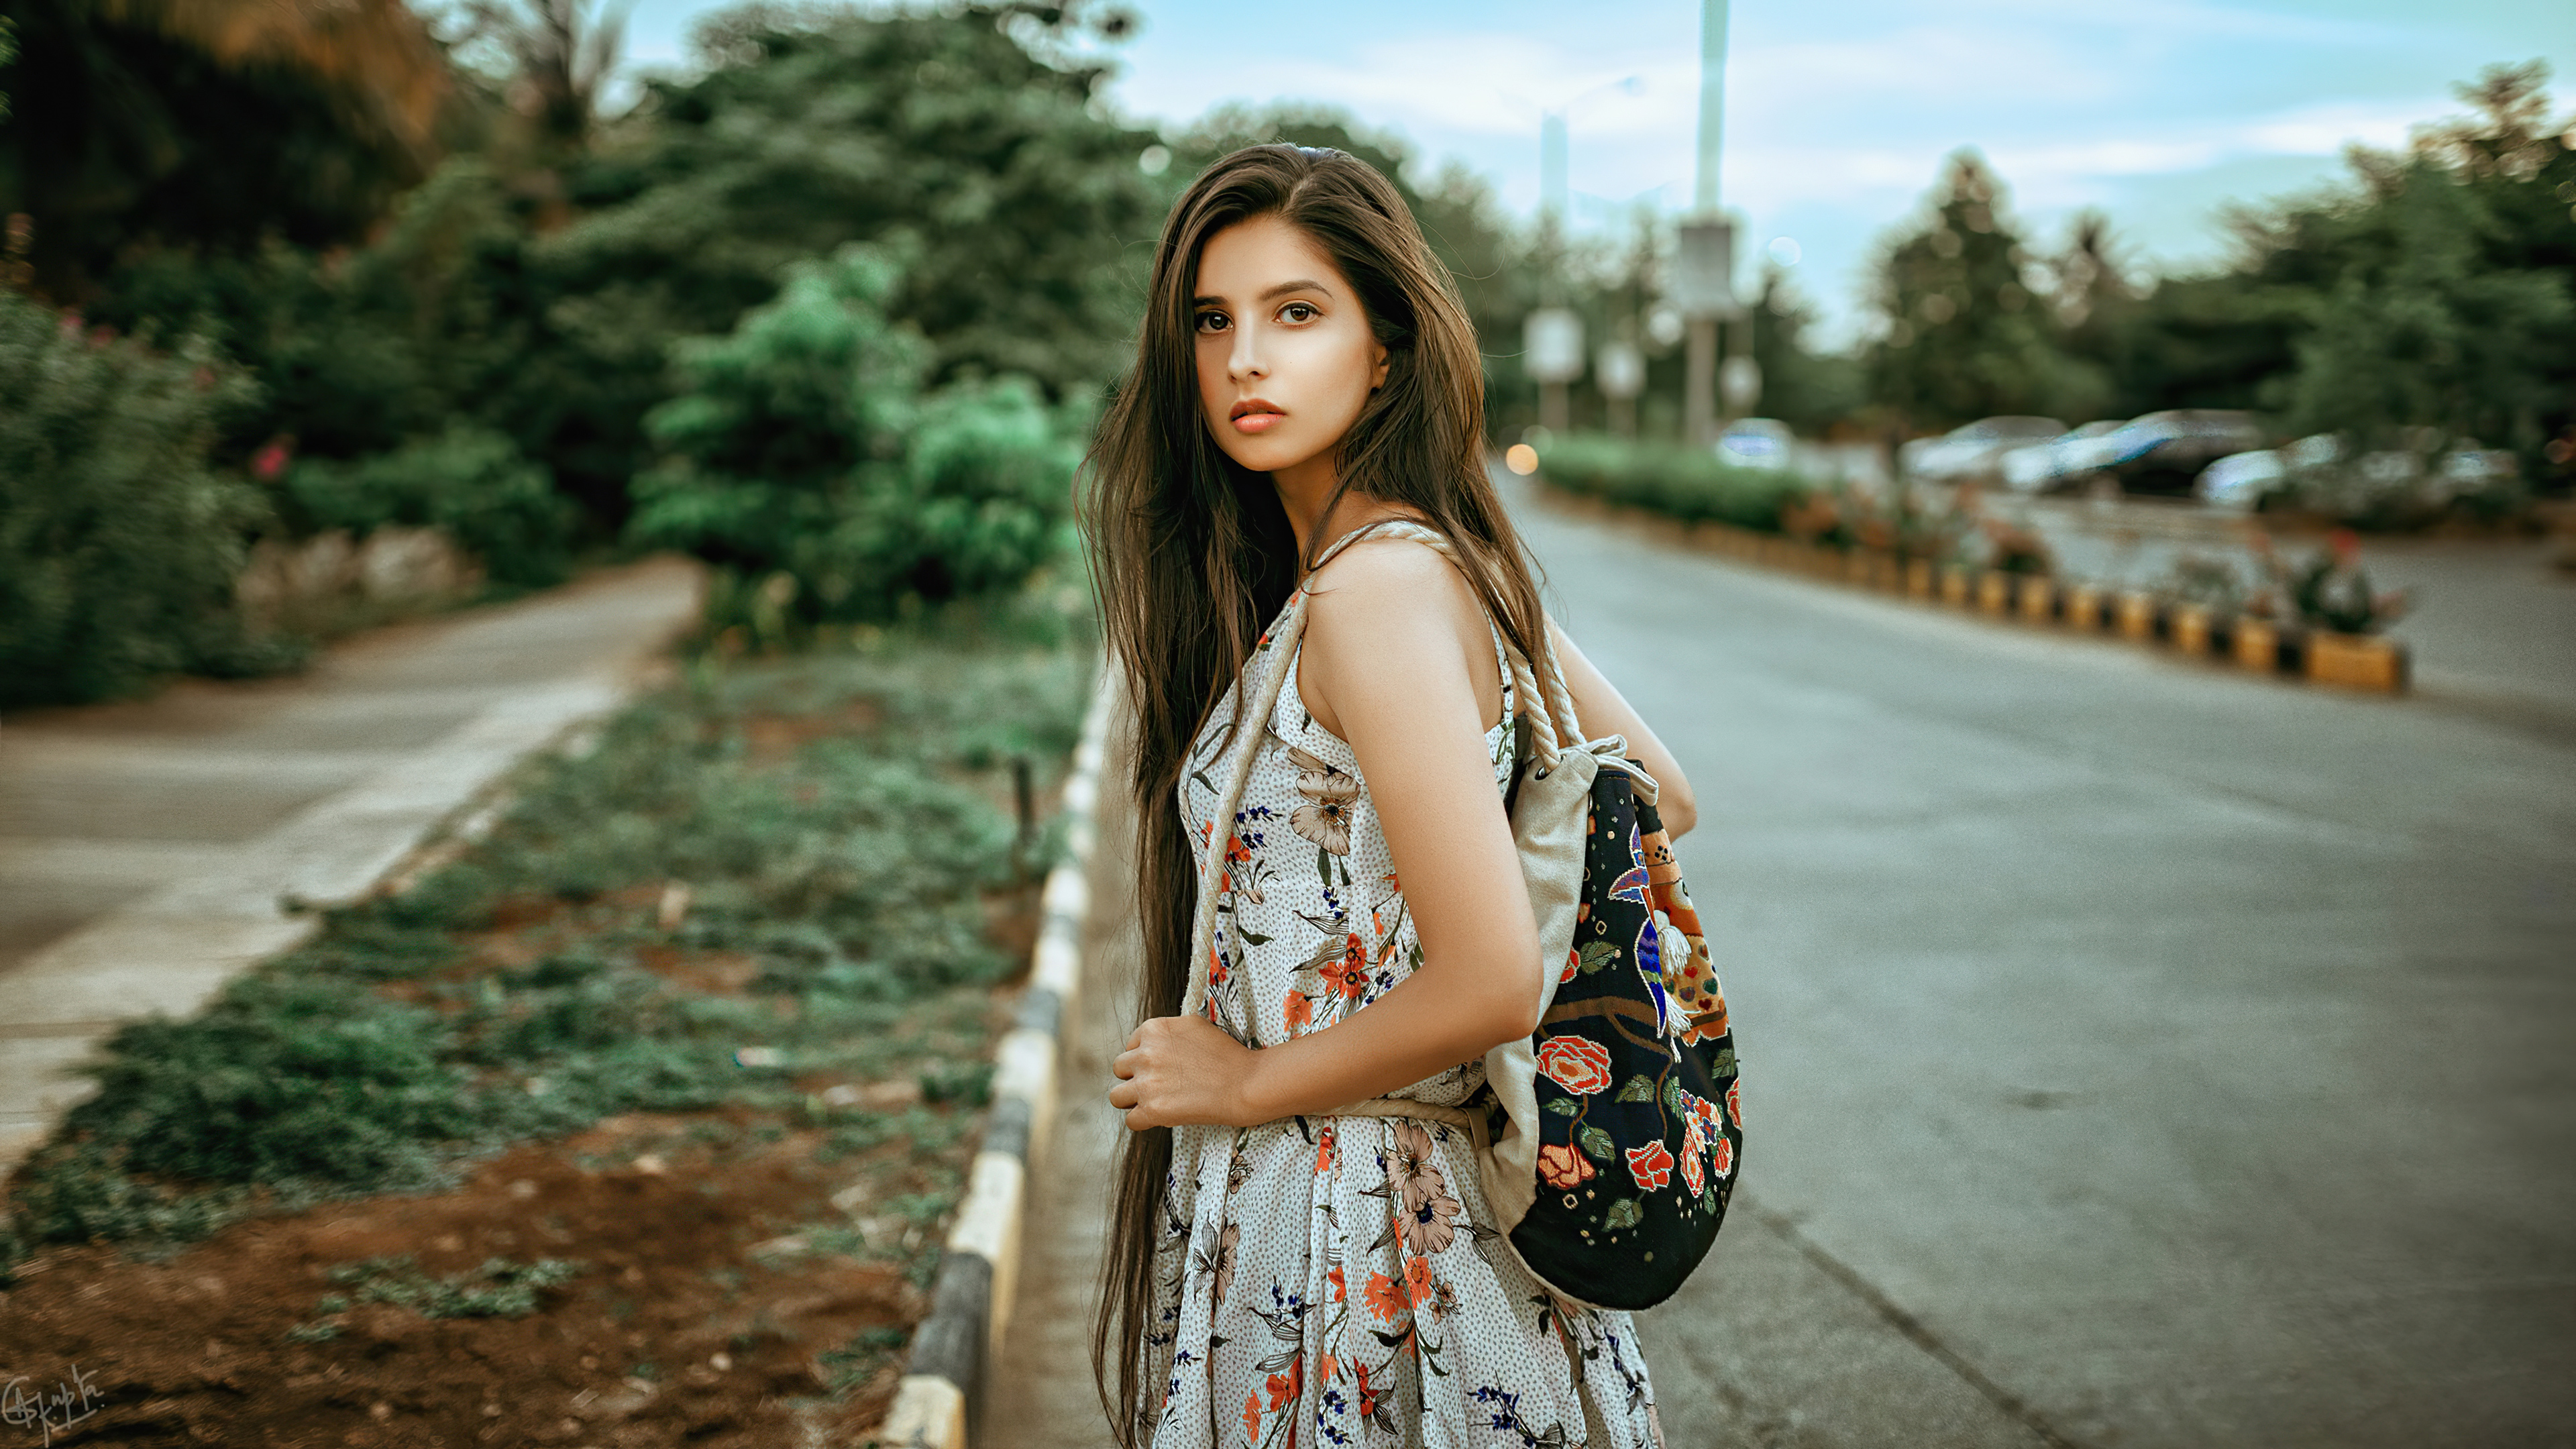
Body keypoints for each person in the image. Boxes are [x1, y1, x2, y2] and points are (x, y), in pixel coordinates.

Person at [1083, 144, 1695, 1449]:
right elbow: (1658, 797)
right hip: (1405, 1202)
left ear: (1385, 351)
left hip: (1366, 1230)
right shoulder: (1426, 560)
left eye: (1296, 313)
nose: (1245, 358)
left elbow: (1488, 984)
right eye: (1213, 319)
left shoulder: (1376, 590)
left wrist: (1250, 1084)